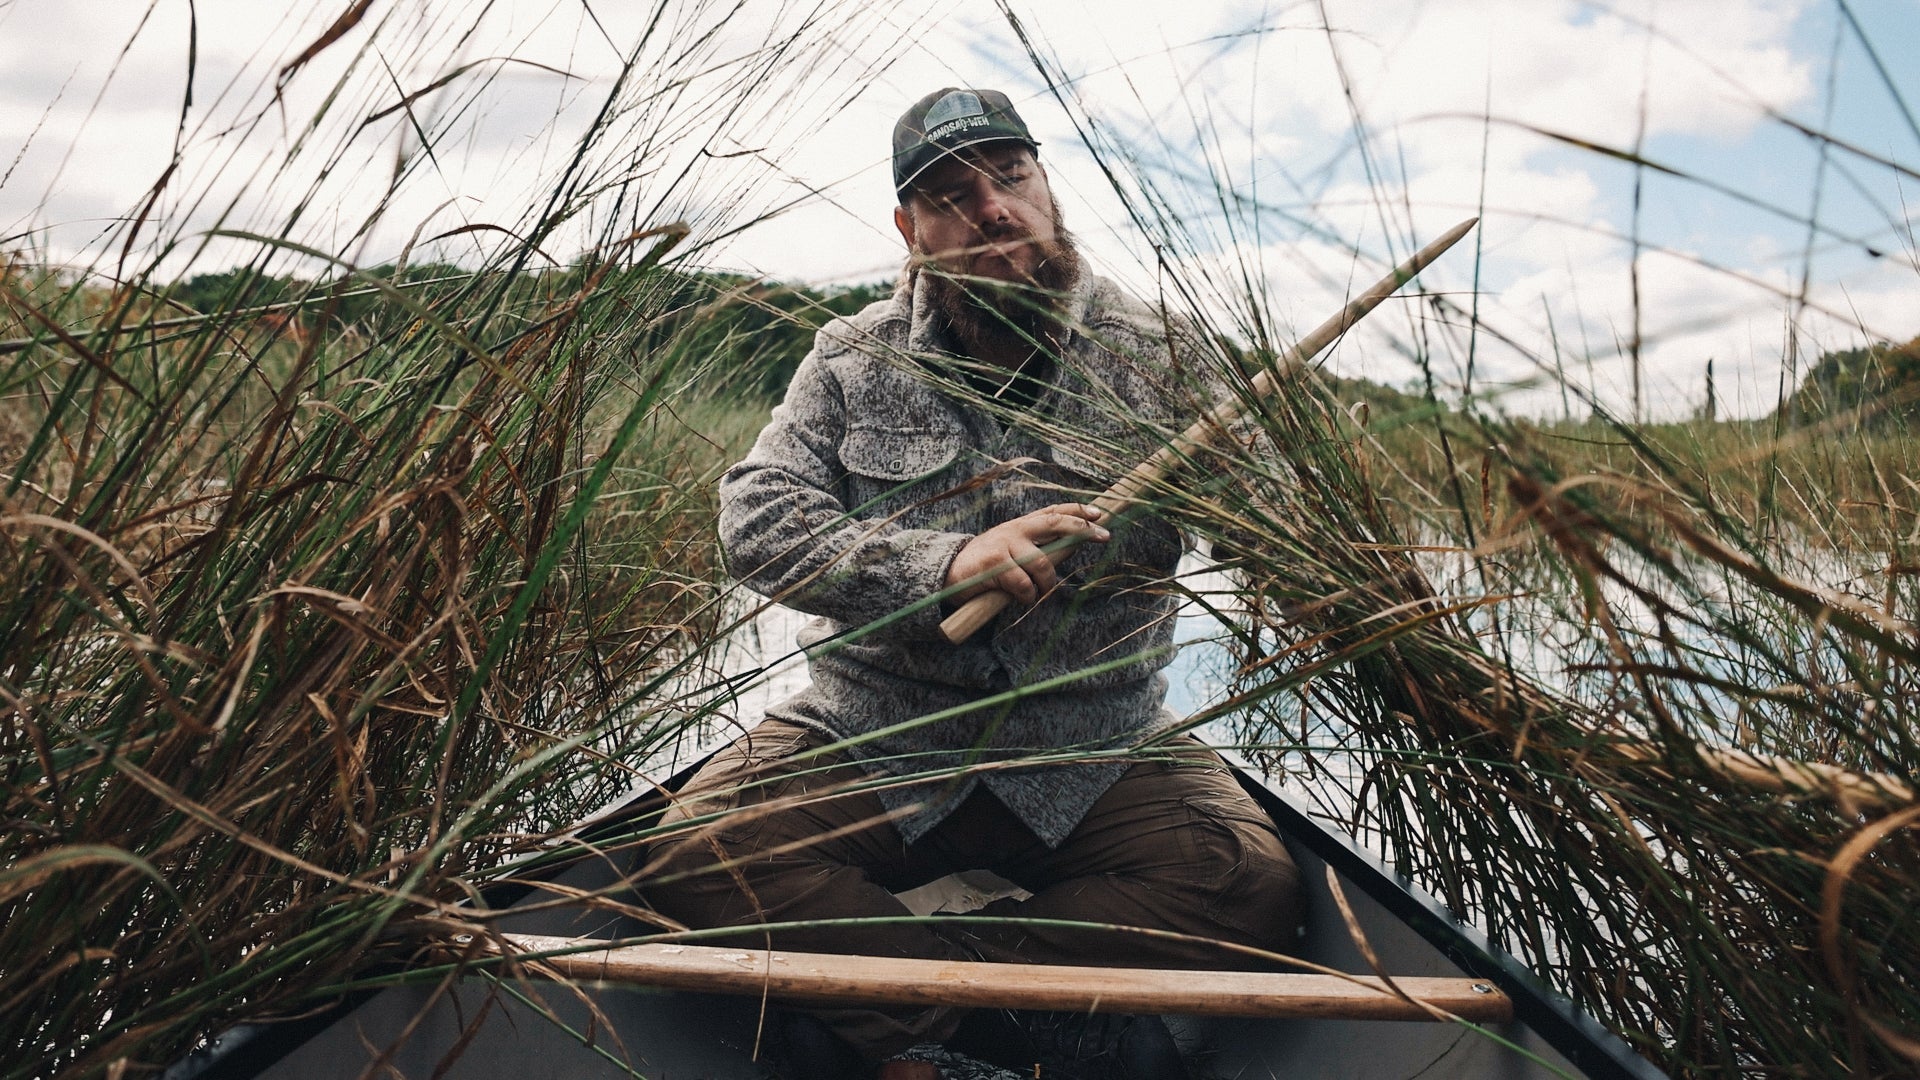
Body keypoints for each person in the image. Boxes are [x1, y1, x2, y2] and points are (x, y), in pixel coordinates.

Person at [643, 87, 1302, 1080]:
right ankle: (1014, 1029)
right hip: (875, 733)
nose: (989, 208)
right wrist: (946, 565)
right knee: (696, 853)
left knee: (1248, 882)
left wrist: (1290, 532)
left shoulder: (1163, 355)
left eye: (1008, 176)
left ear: (1045, 187)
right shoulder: (849, 356)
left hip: (1097, 744)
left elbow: (1281, 531)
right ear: (909, 231)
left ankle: (907, 1019)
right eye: (949, 195)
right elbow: (757, 524)